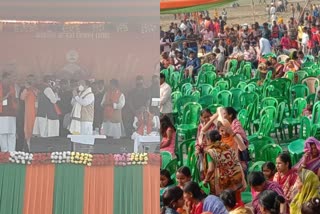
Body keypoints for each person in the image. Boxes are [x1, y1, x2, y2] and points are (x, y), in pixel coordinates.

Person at [203, 130, 246, 203]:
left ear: (209, 140)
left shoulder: (210, 151)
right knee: (233, 201)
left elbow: (211, 169)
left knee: (222, 201)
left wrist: (206, 180)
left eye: (206, 140)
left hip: (221, 182)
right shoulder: (227, 147)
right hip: (233, 178)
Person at [0, 72, 18, 151]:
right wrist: (7, 95)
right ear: (3, 79)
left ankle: (12, 152)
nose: (9, 80)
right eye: (8, 78)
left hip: (11, 113)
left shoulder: (12, 87)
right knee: (2, 133)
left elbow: (16, 99)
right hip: (2, 114)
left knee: (11, 133)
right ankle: (4, 153)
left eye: (10, 78)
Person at [20, 74, 38, 150]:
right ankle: (30, 149)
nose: (31, 81)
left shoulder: (36, 90)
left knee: (37, 132)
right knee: (29, 131)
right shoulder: (25, 90)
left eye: (33, 80)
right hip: (29, 114)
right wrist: (26, 88)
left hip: (38, 114)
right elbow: (22, 98)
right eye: (29, 80)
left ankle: (37, 150)